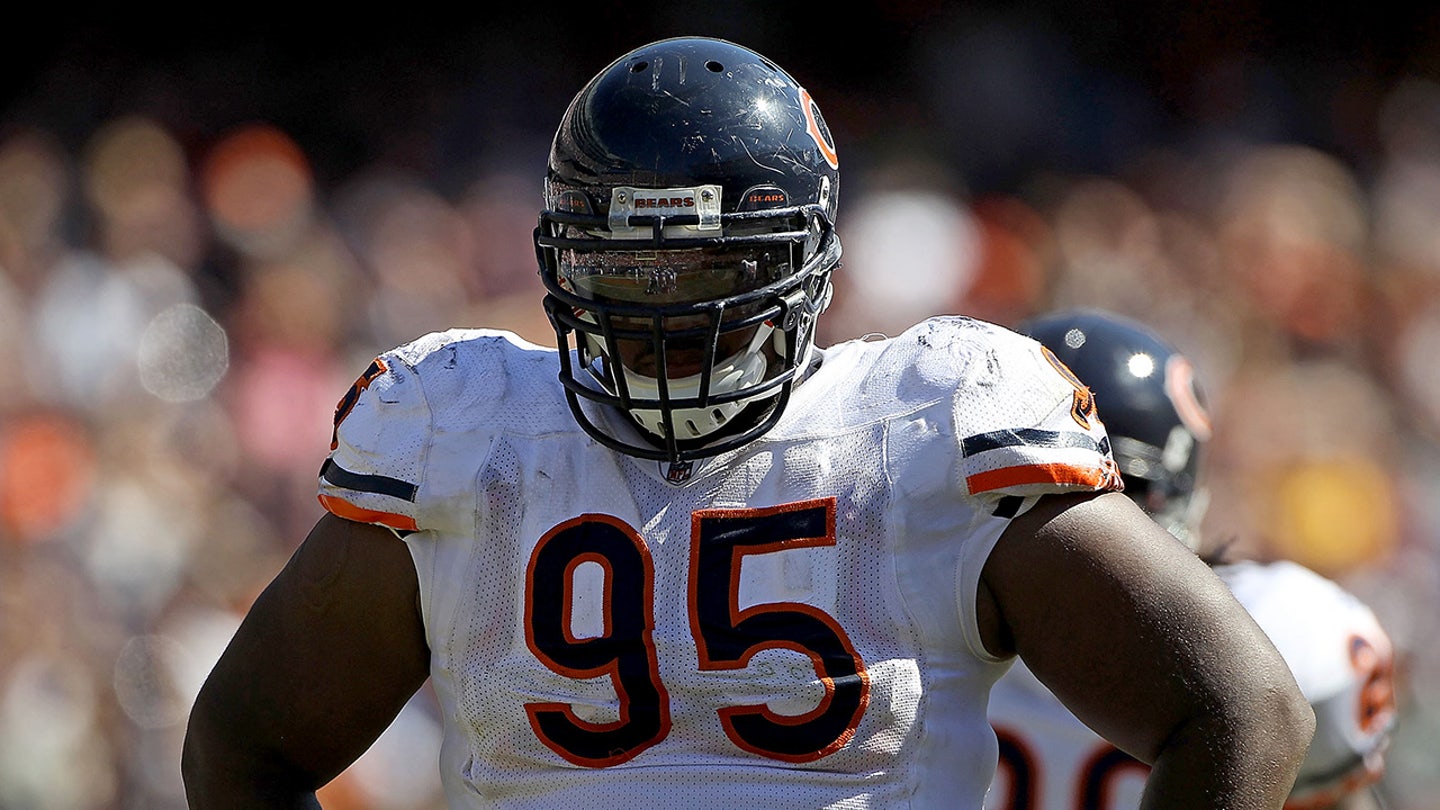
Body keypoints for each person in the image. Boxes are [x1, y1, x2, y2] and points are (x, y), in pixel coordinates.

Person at [181, 36, 1313, 808]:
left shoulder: (927, 424)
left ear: (806, 263)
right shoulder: (472, 434)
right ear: (564, 262)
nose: (666, 312)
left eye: (710, 267)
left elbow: (1240, 709)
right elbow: (245, 746)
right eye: (628, 267)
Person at [986, 308, 1397, 810]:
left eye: (1107, 493)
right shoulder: (1283, 634)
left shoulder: (906, 614)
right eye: (1028, 493)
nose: (1061, 523)